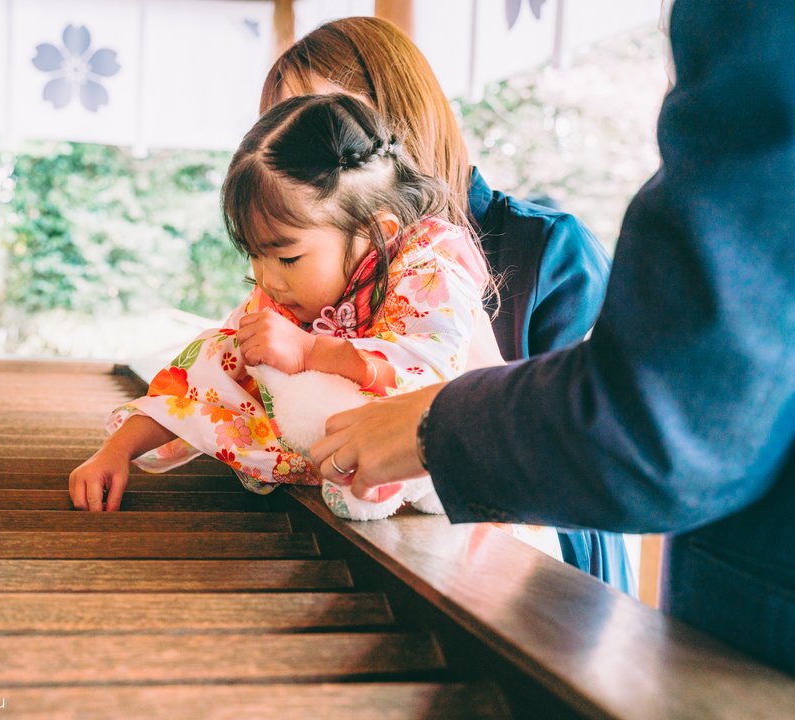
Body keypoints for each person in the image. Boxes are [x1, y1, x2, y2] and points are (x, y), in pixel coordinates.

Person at [311, 0, 795, 674]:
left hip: (546, 614)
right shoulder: (316, 261)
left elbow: (659, 428)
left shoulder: (548, 250)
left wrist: (432, 426)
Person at [261, 16, 633, 593]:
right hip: (362, 559)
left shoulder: (552, 250)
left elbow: (602, 445)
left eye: (329, 125)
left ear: (401, 117)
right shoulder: (311, 256)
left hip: (533, 583)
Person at [69, 93, 502, 520]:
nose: (267, 279)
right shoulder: (283, 297)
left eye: (287, 257)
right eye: (254, 254)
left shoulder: (429, 271)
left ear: (375, 233)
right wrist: (118, 450)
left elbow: (431, 375)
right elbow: (210, 374)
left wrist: (311, 352)